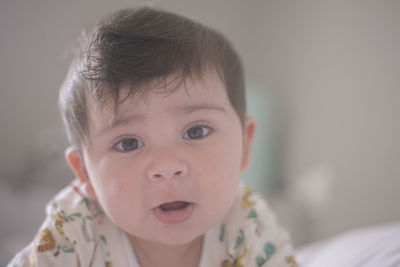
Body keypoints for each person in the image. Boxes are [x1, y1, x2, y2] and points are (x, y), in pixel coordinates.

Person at [9, 7, 297, 267]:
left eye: (196, 131)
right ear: (85, 173)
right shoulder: (73, 232)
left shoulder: (248, 224)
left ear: (246, 144)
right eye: (128, 143)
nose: (166, 165)